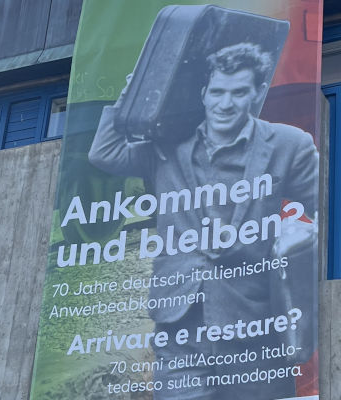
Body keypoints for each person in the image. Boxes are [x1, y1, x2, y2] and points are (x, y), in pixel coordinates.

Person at [88, 43, 318, 399]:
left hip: (255, 332)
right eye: (218, 92)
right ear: (204, 94)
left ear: (257, 93)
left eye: (238, 92)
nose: (225, 104)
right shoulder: (167, 147)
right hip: (180, 333)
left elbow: (322, 210)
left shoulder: (289, 145)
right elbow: (105, 152)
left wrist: (297, 234)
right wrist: (131, 93)